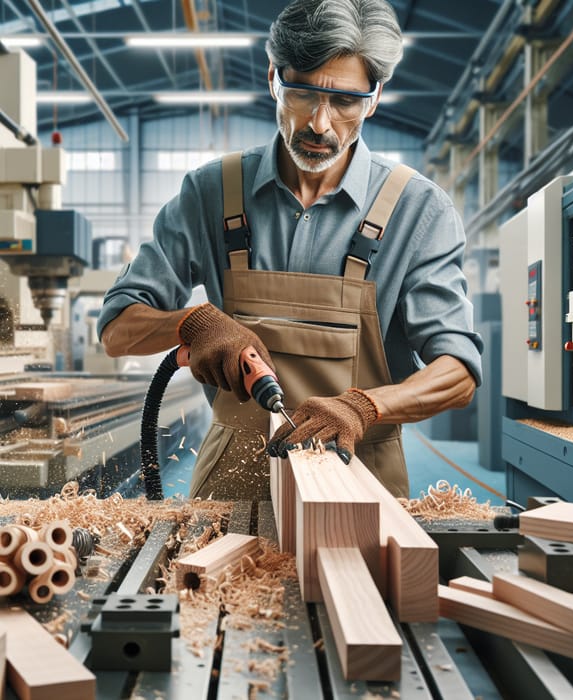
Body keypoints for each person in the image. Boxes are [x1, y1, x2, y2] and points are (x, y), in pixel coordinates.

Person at [98, 0, 483, 501]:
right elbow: (115, 329)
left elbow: (458, 372)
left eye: (345, 101)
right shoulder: (212, 192)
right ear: (274, 79)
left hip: (361, 485)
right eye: (303, 94)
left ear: (375, 98)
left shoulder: (418, 210)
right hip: (230, 487)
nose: (321, 124)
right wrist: (190, 322)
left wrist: (365, 407)